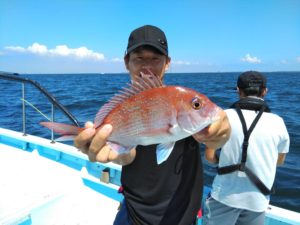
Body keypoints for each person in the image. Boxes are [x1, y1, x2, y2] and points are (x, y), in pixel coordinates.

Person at [74, 25, 231, 225]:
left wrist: (222, 132)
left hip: (182, 217)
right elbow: (127, 154)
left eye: (155, 58)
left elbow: (218, 134)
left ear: (167, 63)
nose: (147, 67)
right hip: (133, 213)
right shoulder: (125, 107)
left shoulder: (182, 104)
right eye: (139, 58)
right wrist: (119, 152)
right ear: (126, 62)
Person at [203, 71, 290, 225]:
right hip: (258, 201)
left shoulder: (222, 116)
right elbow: (279, 161)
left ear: (238, 90)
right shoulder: (278, 122)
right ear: (265, 91)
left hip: (224, 196)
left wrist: (224, 159)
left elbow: (209, 157)